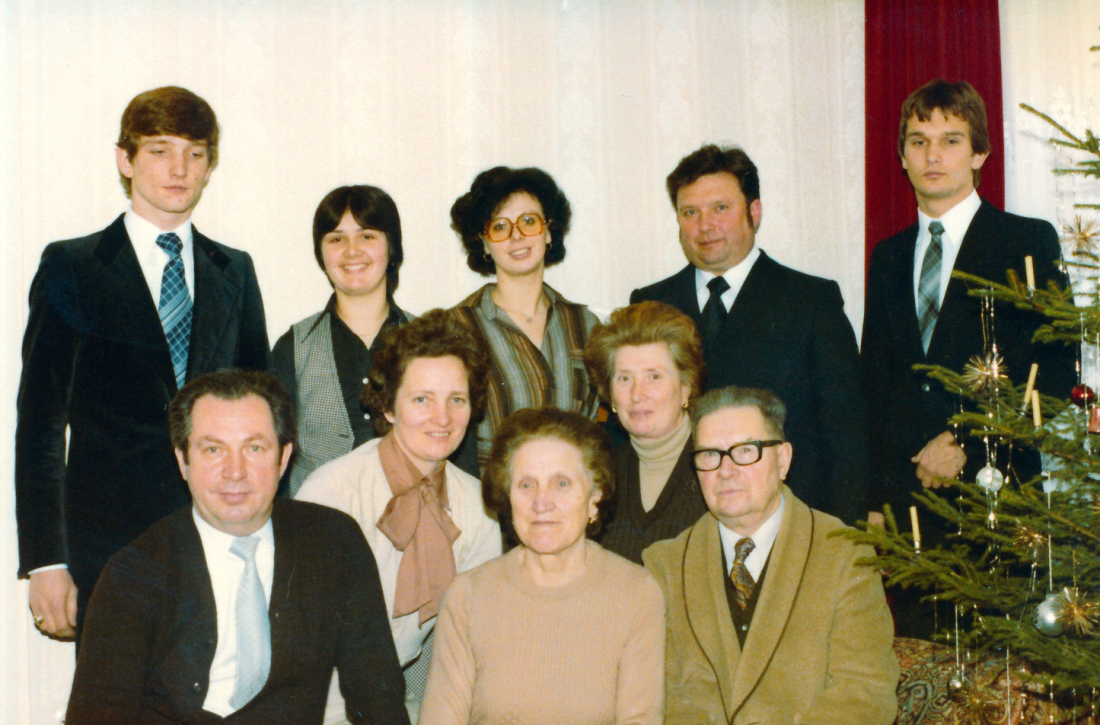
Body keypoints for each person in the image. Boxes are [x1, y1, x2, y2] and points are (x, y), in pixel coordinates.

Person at [16, 86, 270, 640]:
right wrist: (45, 561)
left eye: (195, 153)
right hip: (104, 549)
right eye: (159, 149)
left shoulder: (236, 271)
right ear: (125, 159)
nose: (178, 168)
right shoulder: (73, 266)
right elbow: (39, 426)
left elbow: (263, 420)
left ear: (209, 167)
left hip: (221, 541)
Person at [65, 369, 408, 724]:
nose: (235, 472)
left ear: (284, 457)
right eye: (213, 449)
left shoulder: (334, 543)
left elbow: (378, 695)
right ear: (183, 461)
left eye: (254, 448)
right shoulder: (134, 572)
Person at [862, 79, 1076, 637]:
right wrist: (879, 497)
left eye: (951, 140)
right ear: (902, 157)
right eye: (918, 141)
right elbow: (875, 386)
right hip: (912, 510)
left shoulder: (1026, 241)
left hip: (998, 499)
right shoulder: (887, 258)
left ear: (980, 152)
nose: (933, 155)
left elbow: (1055, 377)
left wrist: (966, 442)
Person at [630, 144, 867, 526]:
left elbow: (845, 430)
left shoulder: (811, 301)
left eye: (720, 208)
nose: (704, 225)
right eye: (690, 212)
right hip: (674, 526)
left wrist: (846, 533)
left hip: (788, 520)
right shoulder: (650, 303)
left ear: (754, 212)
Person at [643, 386, 898, 724]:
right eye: (709, 454)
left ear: (783, 460)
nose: (726, 470)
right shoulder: (665, 565)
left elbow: (865, 692)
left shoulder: (844, 552)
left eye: (746, 451)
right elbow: (659, 696)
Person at [297, 310, 503, 723]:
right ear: (388, 406)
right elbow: (300, 645)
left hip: (393, 702)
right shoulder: (332, 493)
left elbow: (473, 643)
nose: (442, 418)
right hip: (312, 701)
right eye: (422, 399)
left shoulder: (478, 510)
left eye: (456, 400)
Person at [419, 407, 665, 725]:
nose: (541, 502)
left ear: (594, 497)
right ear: (507, 498)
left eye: (562, 484)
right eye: (526, 485)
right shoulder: (468, 595)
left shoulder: (636, 593)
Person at [447, 166, 599, 473]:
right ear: (485, 243)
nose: (516, 236)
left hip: (573, 501)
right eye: (500, 226)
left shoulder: (585, 325)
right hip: (489, 506)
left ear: (549, 232)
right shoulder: (455, 329)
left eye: (529, 221)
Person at [273, 185, 412, 496]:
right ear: (321, 254)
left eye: (367, 236)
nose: (352, 251)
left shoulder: (429, 341)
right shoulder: (293, 347)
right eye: (336, 239)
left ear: (391, 248)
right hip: (318, 528)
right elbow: (274, 458)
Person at [583, 301, 708, 564]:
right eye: (624, 379)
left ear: (686, 387)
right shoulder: (599, 474)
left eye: (654, 377)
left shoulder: (718, 465)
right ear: (610, 395)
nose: (637, 395)